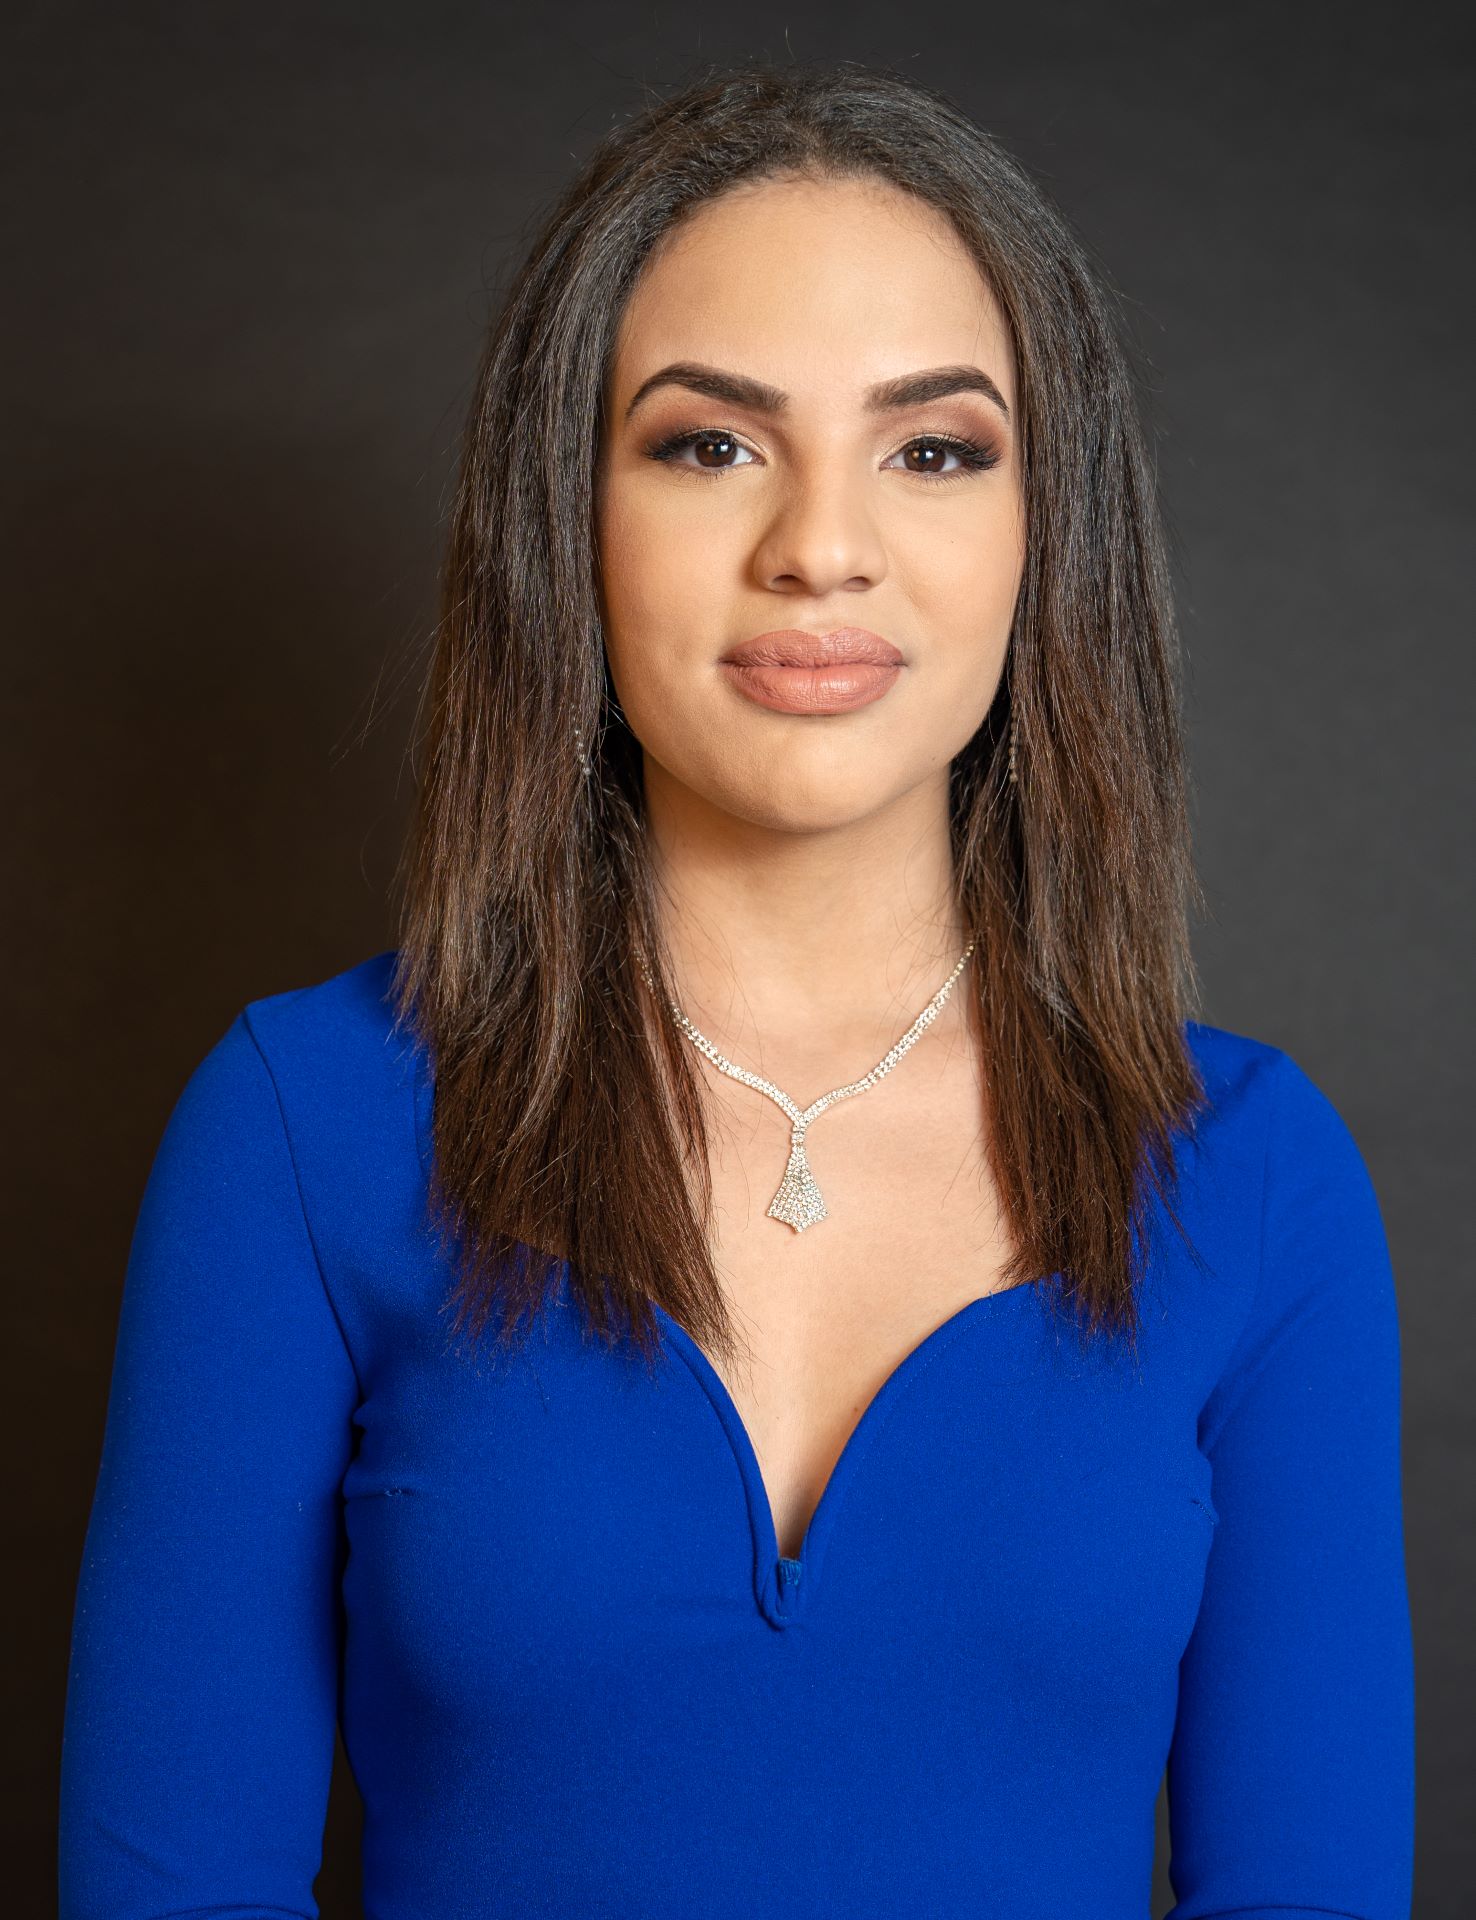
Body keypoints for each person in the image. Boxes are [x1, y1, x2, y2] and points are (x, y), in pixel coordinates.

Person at [57, 58, 1415, 1920]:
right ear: (569, 517)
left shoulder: (1257, 1185)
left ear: (1049, 532)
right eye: (710, 443)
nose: (821, 546)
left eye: (934, 448)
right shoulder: (304, 1129)